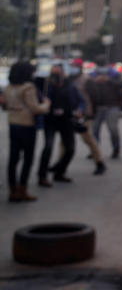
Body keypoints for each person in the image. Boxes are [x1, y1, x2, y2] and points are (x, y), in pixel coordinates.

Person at [3, 61, 50, 202]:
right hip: (27, 125)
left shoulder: (7, 88)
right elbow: (35, 108)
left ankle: (13, 190)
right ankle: (22, 189)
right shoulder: (28, 87)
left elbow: (5, 106)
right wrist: (46, 104)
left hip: (13, 124)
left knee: (13, 159)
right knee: (27, 159)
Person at [37, 63, 81, 185]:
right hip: (50, 120)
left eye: (58, 73)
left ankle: (59, 172)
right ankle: (42, 176)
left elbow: (79, 100)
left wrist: (79, 110)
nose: (55, 75)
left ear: (63, 73)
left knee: (70, 149)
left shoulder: (70, 85)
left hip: (66, 119)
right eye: (53, 73)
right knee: (48, 147)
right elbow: (40, 98)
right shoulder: (46, 85)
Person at [69, 59, 106, 175]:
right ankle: (60, 165)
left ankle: (99, 162)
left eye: (74, 66)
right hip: (71, 114)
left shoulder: (87, 80)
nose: (72, 68)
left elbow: (95, 97)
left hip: (85, 114)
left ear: (79, 67)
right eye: (71, 66)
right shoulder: (69, 80)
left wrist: (92, 113)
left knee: (88, 138)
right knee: (65, 141)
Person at [86, 55, 122, 159]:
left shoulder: (114, 74)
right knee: (94, 130)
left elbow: (121, 84)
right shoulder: (92, 75)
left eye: (102, 64)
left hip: (112, 106)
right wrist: (95, 81)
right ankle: (95, 151)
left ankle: (116, 149)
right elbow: (87, 89)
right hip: (97, 107)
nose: (101, 67)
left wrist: (108, 80)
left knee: (113, 129)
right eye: (100, 65)